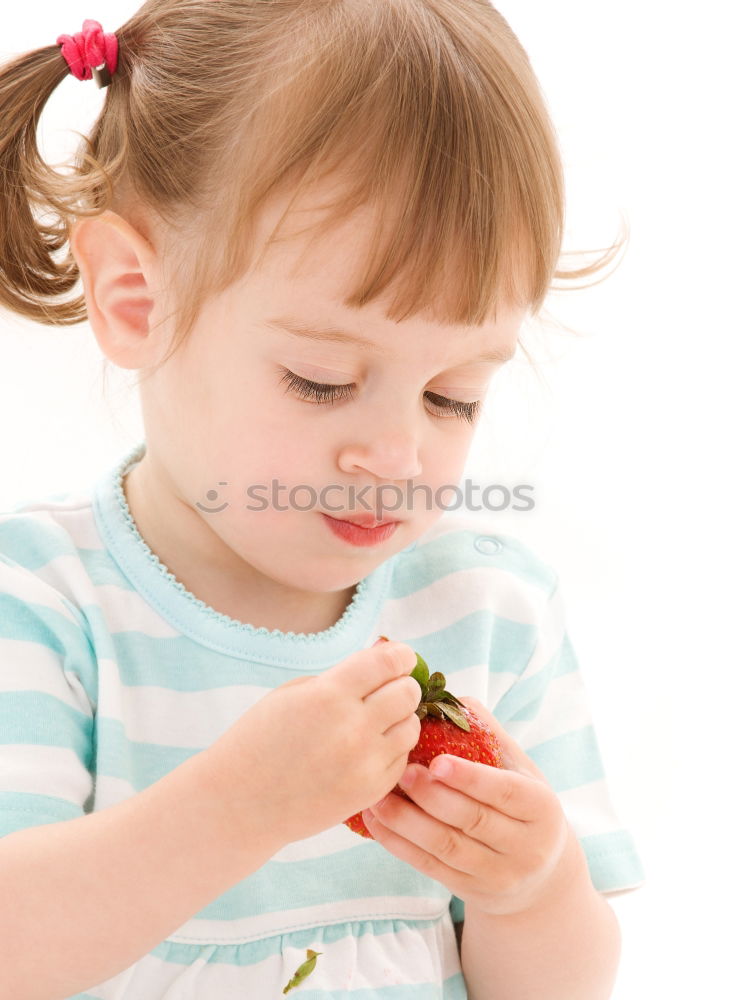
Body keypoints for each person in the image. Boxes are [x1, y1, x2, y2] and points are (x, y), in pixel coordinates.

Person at [0, 3, 644, 997]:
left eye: (451, 395)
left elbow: (557, 986)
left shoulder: (486, 614)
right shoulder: (45, 601)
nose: (393, 456)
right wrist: (233, 806)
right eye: (319, 379)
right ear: (135, 297)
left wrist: (534, 886)